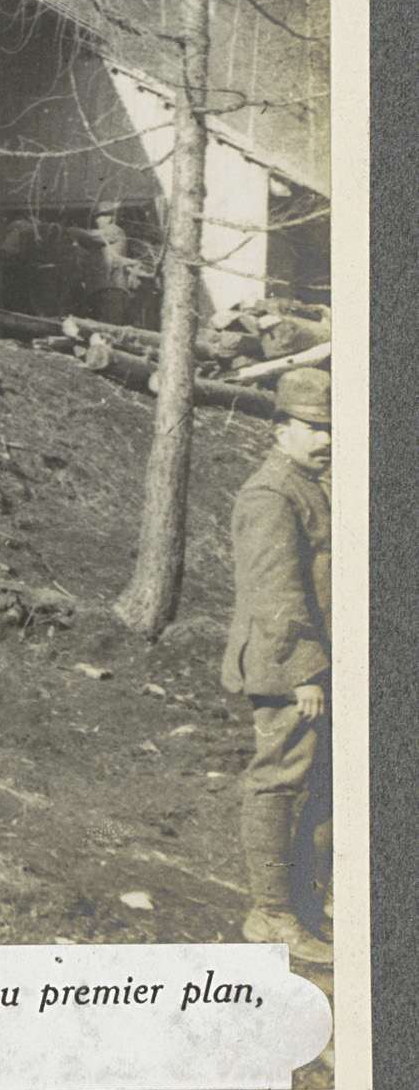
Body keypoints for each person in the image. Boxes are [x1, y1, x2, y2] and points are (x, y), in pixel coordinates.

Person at [223, 368, 334, 964]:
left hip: (316, 663)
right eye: (312, 427)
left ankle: (309, 904)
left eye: (329, 428)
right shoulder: (271, 494)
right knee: (279, 781)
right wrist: (305, 673)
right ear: (279, 430)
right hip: (286, 664)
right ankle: (271, 914)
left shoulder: (311, 486)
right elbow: (275, 591)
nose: (325, 439)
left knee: (323, 779)